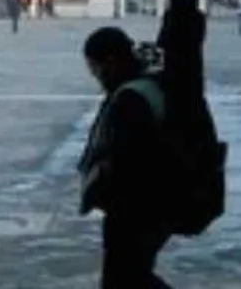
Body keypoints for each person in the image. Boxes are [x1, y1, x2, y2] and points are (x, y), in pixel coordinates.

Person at [78, 26, 175, 289]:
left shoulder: (131, 99)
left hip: (136, 210)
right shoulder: (140, 87)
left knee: (123, 279)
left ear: (110, 61)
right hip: (145, 209)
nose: (95, 76)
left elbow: (129, 161)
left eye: (95, 68)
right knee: (133, 277)